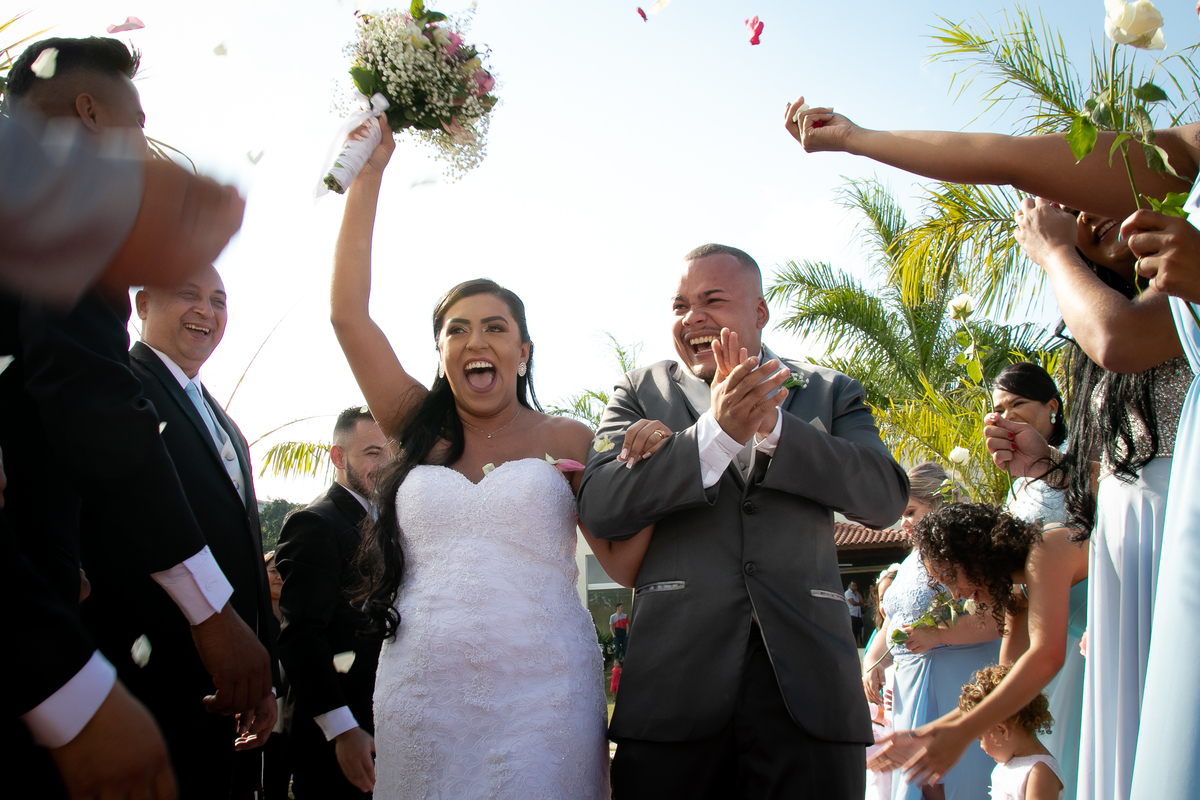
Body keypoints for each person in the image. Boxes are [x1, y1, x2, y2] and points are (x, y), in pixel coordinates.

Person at [785, 91, 1200, 800]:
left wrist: (1054, 252)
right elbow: (1002, 156)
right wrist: (857, 137)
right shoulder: (1067, 523)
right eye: (1073, 208)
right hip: (1125, 561)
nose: (1083, 211)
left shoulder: (1166, 296)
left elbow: (1116, 336)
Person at [329, 115, 654, 799]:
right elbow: (348, 317)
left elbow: (623, 565)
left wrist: (648, 476)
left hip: (546, 698)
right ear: (442, 355)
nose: (477, 340)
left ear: (522, 352)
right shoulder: (417, 427)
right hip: (422, 694)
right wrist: (369, 174)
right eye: (458, 330)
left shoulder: (569, 439)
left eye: (496, 328)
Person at [1, 36, 266, 800]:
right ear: (88, 112)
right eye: (134, 123)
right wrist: (211, 616)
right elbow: (92, 406)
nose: (142, 148)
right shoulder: (57, 209)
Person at [577, 243, 909, 800]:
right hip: (673, 695)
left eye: (712, 300)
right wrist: (713, 435)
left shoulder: (827, 391)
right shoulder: (640, 393)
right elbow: (601, 505)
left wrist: (772, 428)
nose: (692, 317)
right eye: (680, 306)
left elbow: (884, 498)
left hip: (810, 696)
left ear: (759, 312)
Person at [77, 262, 279, 797]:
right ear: (142, 304)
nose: (206, 311)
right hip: (145, 681)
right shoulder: (116, 385)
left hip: (224, 693)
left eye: (219, 300)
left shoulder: (227, 426)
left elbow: (244, 552)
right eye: (189, 293)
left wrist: (263, 675)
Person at [872, 504, 1086, 793]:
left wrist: (962, 733)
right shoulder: (1017, 592)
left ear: (973, 549)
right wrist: (928, 732)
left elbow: (1046, 656)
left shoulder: (1046, 549)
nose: (955, 596)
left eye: (950, 578)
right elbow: (1002, 679)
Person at [860, 463, 1000, 800]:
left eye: (910, 512)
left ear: (937, 503)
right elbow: (892, 620)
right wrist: (872, 662)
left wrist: (938, 635)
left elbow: (996, 618)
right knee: (919, 781)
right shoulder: (910, 561)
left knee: (951, 779)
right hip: (908, 685)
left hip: (952, 678)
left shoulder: (963, 555)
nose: (904, 523)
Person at [277, 406, 389, 798]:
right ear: (338, 457)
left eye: (391, 453)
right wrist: (342, 729)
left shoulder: (390, 522)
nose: (386, 464)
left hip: (386, 725)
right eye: (372, 453)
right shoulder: (315, 523)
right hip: (339, 739)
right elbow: (301, 636)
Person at [987, 363, 1084, 799]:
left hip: (1084, 631)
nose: (1007, 416)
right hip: (1035, 638)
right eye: (999, 409)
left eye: (1018, 404)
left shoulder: (1080, 464)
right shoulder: (1015, 492)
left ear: (1052, 406)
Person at [960, 663, 1064, 800]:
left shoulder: (1039, 772)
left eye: (981, 738)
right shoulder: (1005, 765)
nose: (981, 746)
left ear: (1002, 730)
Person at [846, 581, 864, 646]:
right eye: (853, 586)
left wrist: (859, 594)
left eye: (855, 586)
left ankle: (858, 645)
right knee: (853, 630)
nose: (854, 587)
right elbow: (853, 603)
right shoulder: (848, 593)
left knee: (858, 631)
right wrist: (860, 604)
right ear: (849, 586)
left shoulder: (856, 594)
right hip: (852, 614)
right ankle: (852, 645)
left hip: (858, 615)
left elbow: (862, 603)